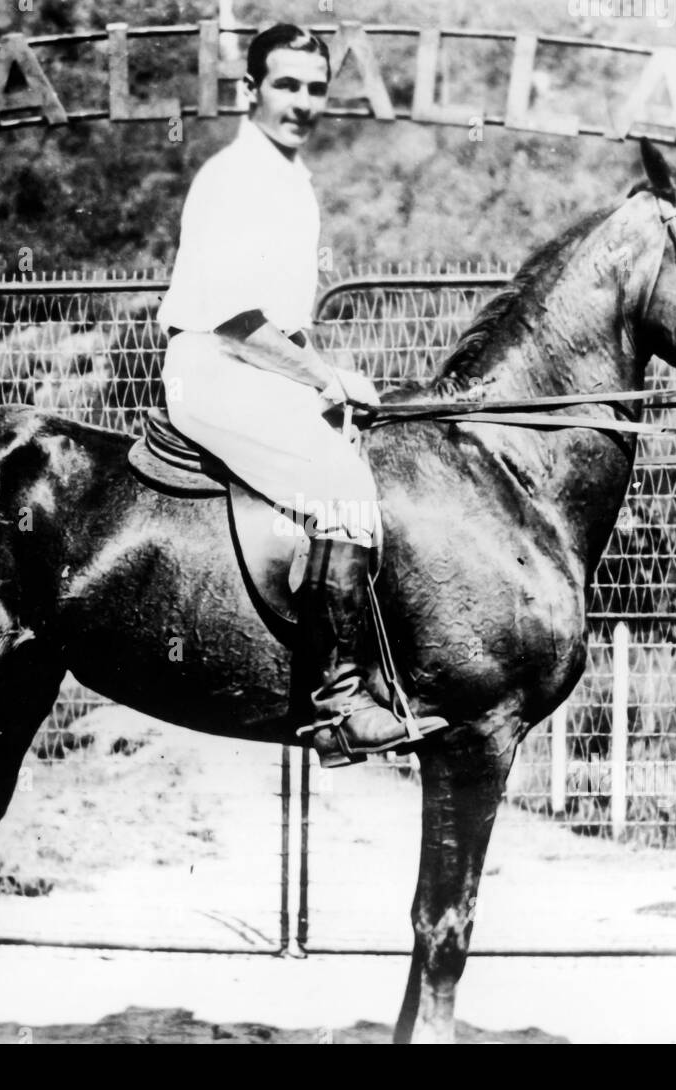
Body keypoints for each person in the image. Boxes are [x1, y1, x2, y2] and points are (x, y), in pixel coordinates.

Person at [156, 24, 444, 764]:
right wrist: (322, 378)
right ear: (251, 90)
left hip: (251, 365)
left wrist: (337, 381)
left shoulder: (291, 180)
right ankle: (337, 701)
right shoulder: (234, 175)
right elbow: (232, 318)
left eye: (315, 88)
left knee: (359, 451)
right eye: (286, 85)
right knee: (343, 483)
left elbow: (283, 324)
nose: (303, 102)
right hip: (210, 366)